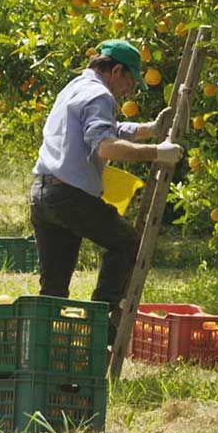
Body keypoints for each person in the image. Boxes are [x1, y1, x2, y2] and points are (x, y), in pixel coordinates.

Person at [30, 38, 183, 340]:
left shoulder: (74, 87)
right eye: (129, 81)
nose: (128, 90)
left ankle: (42, 353)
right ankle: (101, 325)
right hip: (70, 197)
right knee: (126, 243)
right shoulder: (100, 95)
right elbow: (106, 147)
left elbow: (105, 128)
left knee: (53, 287)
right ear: (116, 70)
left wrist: (149, 129)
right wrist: (157, 152)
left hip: (42, 194)